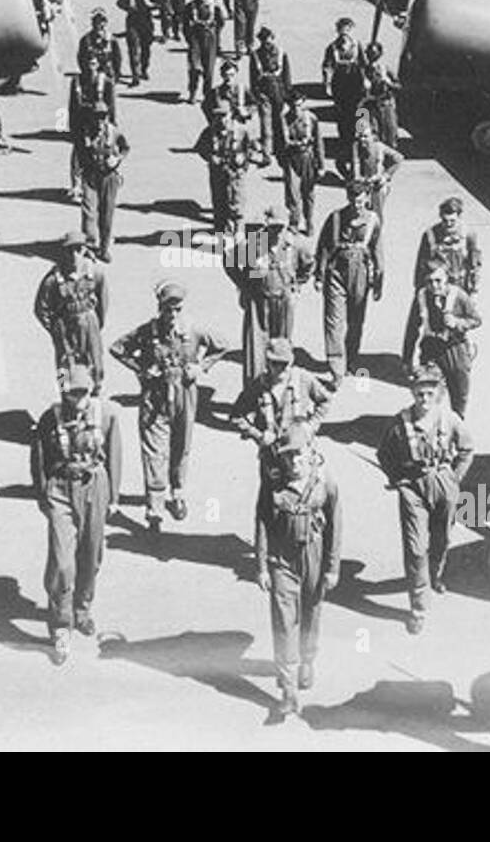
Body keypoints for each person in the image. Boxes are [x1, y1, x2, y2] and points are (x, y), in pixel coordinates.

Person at [111, 282, 229, 535]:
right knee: (154, 451)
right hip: (155, 397)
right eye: (168, 309)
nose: (173, 315)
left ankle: (177, 493)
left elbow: (221, 345)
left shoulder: (193, 329)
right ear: (160, 308)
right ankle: (154, 508)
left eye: (177, 309)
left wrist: (202, 366)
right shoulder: (147, 331)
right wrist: (142, 369)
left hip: (185, 394)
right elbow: (118, 348)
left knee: (181, 446)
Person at [31, 364, 124, 664]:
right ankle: (60, 624)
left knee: (92, 555)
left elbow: (115, 453)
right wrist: (43, 495)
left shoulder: (107, 415)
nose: (78, 400)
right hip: (61, 489)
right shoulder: (50, 418)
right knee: (62, 561)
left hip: (95, 486)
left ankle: (82, 608)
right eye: (72, 394)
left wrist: (113, 497)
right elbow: (39, 459)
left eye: (83, 392)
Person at [376, 365, 475, 635]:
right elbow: (383, 453)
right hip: (414, 489)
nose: (425, 399)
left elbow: (466, 449)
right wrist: (399, 481)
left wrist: (454, 478)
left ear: (439, 394)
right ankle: (418, 607)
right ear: (412, 392)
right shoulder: (400, 422)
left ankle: (436, 574)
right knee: (416, 548)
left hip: (444, 484)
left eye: (430, 393)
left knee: (441, 538)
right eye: (420, 393)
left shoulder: (450, 419)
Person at [255, 422, 341, 721]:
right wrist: (262, 565)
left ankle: (308, 660)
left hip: (314, 554)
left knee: (312, 612)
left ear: (310, 452)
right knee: (283, 621)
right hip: (283, 559)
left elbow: (335, 524)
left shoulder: (324, 480)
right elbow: (263, 521)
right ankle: (288, 691)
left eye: (299, 455)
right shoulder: (273, 481)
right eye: (288, 456)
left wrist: (332, 567)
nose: (294, 462)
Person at [227, 209, 313, 388]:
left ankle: (280, 392)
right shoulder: (255, 245)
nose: (277, 231)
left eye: (281, 227)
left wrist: (296, 285)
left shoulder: (294, 244)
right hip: (258, 303)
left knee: (281, 348)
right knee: (255, 351)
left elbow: (309, 264)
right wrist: (245, 284)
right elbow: (230, 261)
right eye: (273, 227)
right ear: (267, 225)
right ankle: (253, 396)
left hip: (284, 303)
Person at [232, 339, 332, 490]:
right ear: (268, 363)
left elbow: (325, 400)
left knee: (306, 497)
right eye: (275, 364)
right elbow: (236, 416)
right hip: (272, 455)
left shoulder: (302, 379)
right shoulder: (258, 385)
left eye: (285, 364)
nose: (281, 369)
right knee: (270, 501)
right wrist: (258, 436)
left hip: (299, 454)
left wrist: (311, 426)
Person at [314, 183, 383, 385]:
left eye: (361, 201)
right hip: (336, 271)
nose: (357, 205)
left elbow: (378, 251)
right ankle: (336, 366)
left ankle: (352, 359)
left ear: (367, 198)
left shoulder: (372, 220)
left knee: (356, 320)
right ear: (347, 197)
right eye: (353, 200)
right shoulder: (335, 218)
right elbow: (324, 247)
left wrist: (379, 280)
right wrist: (319, 276)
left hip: (360, 272)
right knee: (333, 321)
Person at [402, 255, 481, 417]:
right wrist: (407, 358)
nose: (434, 285)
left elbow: (476, 319)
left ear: (447, 278)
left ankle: (456, 427)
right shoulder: (422, 296)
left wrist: (458, 322)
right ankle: (431, 427)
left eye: (438, 280)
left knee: (459, 394)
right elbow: (412, 329)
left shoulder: (459, 295)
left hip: (455, 349)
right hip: (431, 349)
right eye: (430, 281)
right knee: (429, 391)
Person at [34, 231, 109, 392]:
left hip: (89, 323)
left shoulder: (96, 273)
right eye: (69, 250)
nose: (74, 255)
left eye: (78, 249)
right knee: (64, 365)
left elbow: (103, 302)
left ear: (84, 250)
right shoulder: (54, 279)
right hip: (65, 326)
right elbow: (41, 308)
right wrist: (55, 329)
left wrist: (95, 323)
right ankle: (64, 392)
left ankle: (95, 390)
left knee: (95, 360)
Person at [78, 108, 130, 262]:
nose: (100, 121)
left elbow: (125, 148)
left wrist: (117, 158)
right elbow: (78, 155)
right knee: (88, 212)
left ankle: (104, 248)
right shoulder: (86, 133)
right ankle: (89, 245)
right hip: (91, 175)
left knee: (106, 214)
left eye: (103, 117)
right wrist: (76, 181)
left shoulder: (114, 132)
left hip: (109, 177)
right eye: (96, 117)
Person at [195, 98, 252, 236]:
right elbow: (200, 148)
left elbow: (249, 151)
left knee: (237, 205)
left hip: (235, 174)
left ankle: (238, 235)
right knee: (219, 205)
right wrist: (210, 157)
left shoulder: (241, 131)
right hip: (217, 173)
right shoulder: (209, 131)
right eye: (218, 115)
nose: (221, 119)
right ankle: (222, 236)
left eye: (224, 115)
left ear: (231, 114)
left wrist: (243, 162)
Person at [67, 49, 115, 201]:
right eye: (87, 63)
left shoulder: (106, 82)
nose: (89, 66)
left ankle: (100, 185)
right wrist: (71, 127)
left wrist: (112, 126)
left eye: (93, 63)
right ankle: (76, 187)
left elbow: (112, 105)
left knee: (100, 155)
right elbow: (72, 106)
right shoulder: (76, 82)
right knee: (78, 155)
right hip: (82, 123)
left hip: (99, 124)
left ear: (98, 64)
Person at [277, 92, 324, 236]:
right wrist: (282, 163)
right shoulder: (284, 119)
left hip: (307, 158)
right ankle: (294, 222)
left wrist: (321, 166)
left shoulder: (311, 119)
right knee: (292, 193)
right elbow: (279, 143)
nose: (296, 108)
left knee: (308, 193)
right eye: (292, 105)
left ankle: (309, 221)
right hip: (291, 159)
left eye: (298, 105)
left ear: (302, 103)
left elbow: (319, 143)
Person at [414, 196, 481, 295]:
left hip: (460, 286)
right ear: (440, 216)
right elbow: (421, 265)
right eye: (445, 220)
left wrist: (474, 291)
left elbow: (474, 266)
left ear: (459, 216)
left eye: (452, 221)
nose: (448, 224)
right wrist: (419, 290)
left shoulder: (469, 234)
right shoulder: (430, 235)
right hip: (436, 286)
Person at [339, 117, 402, 220]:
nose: (362, 139)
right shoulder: (354, 148)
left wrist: (385, 176)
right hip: (360, 186)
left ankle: (376, 234)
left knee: (376, 215)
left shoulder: (379, 147)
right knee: (357, 213)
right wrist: (349, 177)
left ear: (372, 136)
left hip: (376, 186)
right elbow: (339, 162)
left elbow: (399, 159)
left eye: (365, 136)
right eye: (359, 136)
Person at [322, 17, 368, 149]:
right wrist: (327, 84)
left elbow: (363, 64)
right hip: (340, 82)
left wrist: (365, 80)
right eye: (342, 29)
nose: (345, 32)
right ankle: (345, 140)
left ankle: (362, 137)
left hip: (355, 80)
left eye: (348, 29)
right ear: (337, 30)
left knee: (360, 109)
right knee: (342, 113)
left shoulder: (357, 45)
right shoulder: (332, 47)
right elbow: (327, 66)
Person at [250, 26, 291, 158]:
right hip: (263, 92)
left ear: (273, 39)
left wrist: (288, 96)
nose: (267, 45)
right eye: (263, 42)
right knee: (266, 125)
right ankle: (266, 153)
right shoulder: (256, 55)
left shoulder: (281, 53)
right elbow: (253, 77)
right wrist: (256, 94)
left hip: (279, 91)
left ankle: (283, 150)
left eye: (269, 41)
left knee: (281, 122)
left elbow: (287, 76)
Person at [183, 0, 224, 104]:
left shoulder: (214, 7)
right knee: (194, 68)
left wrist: (215, 35)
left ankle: (207, 94)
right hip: (195, 38)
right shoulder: (190, 6)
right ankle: (193, 92)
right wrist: (189, 38)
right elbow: (185, 24)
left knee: (209, 70)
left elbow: (221, 22)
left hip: (210, 39)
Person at [116, 0, 157, 85]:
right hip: (133, 22)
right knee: (133, 49)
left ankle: (143, 69)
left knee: (146, 49)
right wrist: (128, 7)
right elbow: (120, 3)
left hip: (146, 23)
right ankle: (135, 75)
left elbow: (160, 4)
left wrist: (151, 5)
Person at [363, 41, 400, 148]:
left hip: (386, 106)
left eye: (374, 53)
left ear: (380, 54)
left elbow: (399, 87)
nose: (372, 56)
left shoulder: (385, 69)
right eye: (369, 53)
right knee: (364, 138)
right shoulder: (361, 70)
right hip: (366, 107)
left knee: (390, 137)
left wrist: (389, 83)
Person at [77, 7, 123, 81]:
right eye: (96, 21)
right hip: (91, 70)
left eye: (101, 21)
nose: (99, 24)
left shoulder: (111, 39)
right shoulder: (85, 39)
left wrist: (116, 72)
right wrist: (85, 69)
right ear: (92, 23)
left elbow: (117, 57)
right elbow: (81, 57)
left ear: (105, 23)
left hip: (107, 70)